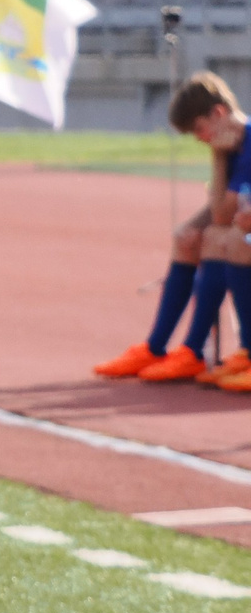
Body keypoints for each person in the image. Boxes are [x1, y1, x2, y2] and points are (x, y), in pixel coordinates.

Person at [96, 71, 251, 388]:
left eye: (199, 129)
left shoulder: (243, 144)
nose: (200, 138)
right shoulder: (233, 141)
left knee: (225, 238)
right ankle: (158, 348)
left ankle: (214, 350)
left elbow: (224, 214)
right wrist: (191, 226)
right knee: (190, 237)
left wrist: (217, 157)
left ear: (218, 114)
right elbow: (225, 208)